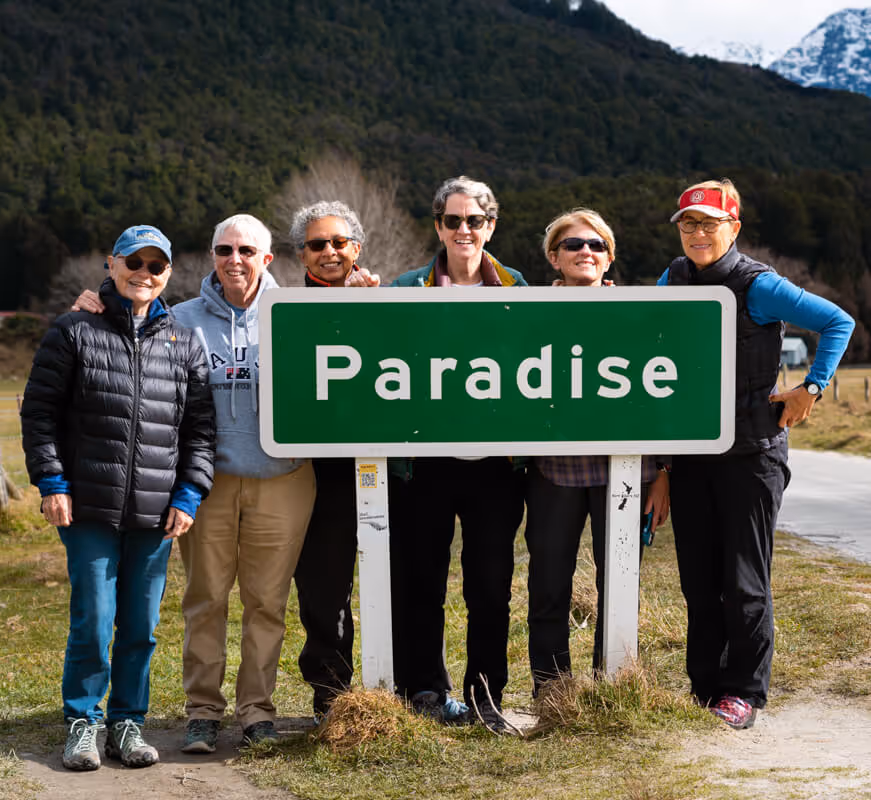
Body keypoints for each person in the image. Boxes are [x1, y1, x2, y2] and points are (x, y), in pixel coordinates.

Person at [72, 214, 316, 751]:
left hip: (284, 478)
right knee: (205, 598)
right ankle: (203, 710)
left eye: (247, 250)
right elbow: (125, 323)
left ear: (266, 259)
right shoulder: (180, 319)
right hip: (208, 481)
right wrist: (89, 305)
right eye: (225, 250)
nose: (235, 259)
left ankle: (257, 712)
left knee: (267, 601)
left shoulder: (298, 312)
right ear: (212, 256)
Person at [659, 179, 854, 730]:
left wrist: (810, 388)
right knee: (698, 580)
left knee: (744, 579)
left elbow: (838, 321)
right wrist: (664, 466)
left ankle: (744, 691)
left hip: (752, 454)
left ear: (733, 228)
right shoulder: (672, 279)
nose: (698, 233)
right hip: (695, 455)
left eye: (709, 223)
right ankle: (704, 690)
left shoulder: (759, 285)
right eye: (688, 224)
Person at [21, 225, 216, 771]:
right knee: (93, 616)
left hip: (157, 512)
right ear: (111, 264)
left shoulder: (184, 342)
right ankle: (83, 720)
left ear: (168, 274)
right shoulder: (73, 331)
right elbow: (39, 416)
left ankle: (128, 723)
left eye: (156, 266)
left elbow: (200, 429)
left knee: (141, 625)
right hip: (87, 507)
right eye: (134, 262)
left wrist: (189, 495)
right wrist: (53, 484)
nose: (144, 274)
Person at [389, 176, 527, 731]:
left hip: (496, 467)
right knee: (420, 579)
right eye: (453, 221)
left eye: (474, 220)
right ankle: (422, 689)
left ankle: (485, 697)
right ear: (439, 226)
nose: (463, 230)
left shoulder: (519, 289)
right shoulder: (403, 289)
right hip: (423, 465)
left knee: (490, 585)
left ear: (490, 225)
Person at [524, 208, 670, 692]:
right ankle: (553, 689)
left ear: (609, 259)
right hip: (553, 473)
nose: (586, 252)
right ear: (554, 257)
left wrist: (664, 473)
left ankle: (613, 684)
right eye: (573, 245)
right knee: (548, 586)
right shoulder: (525, 312)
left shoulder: (641, 312)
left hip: (627, 473)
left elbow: (667, 396)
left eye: (597, 246)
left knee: (621, 586)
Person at [286, 201, 380, 718]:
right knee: (323, 591)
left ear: (356, 249)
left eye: (339, 243)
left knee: (407, 583)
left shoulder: (386, 300)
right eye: (317, 245)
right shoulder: (281, 309)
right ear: (302, 254)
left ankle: (414, 688)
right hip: (316, 473)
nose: (329, 253)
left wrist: (376, 309)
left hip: (384, 467)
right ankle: (332, 695)